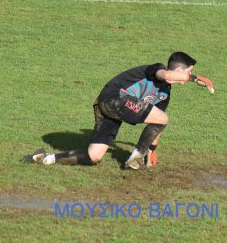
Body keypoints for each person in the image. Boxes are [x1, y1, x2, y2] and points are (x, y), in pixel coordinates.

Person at [21, 52, 214, 170]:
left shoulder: (164, 94)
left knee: (94, 156)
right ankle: (134, 159)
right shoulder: (156, 69)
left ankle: (44, 158)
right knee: (163, 118)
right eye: (188, 71)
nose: (189, 75)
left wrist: (152, 152)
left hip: (109, 110)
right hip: (113, 100)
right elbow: (167, 76)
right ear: (180, 70)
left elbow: (157, 124)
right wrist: (194, 78)